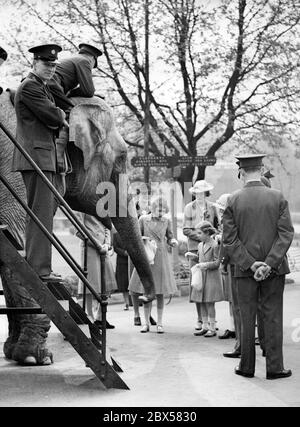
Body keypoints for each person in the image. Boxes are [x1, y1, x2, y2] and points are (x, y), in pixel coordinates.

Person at [222, 154, 294, 379]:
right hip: (275, 269)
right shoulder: (277, 197)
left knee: (245, 316)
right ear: (261, 169)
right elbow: (286, 234)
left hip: (243, 271)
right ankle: (274, 367)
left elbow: (229, 240)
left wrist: (251, 264)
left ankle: (246, 367)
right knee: (272, 317)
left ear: (241, 172)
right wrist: (269, 263)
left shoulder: (232, 200)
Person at [12, 44, 67, 281]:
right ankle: (40, 268)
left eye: (54, 65)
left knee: (42, 212)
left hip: (42, 157)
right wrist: (60, 115)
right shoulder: (31, 86)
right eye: (46, 64)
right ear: (35, 63)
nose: (51, 69)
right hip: (37, 158)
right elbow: (55, 116)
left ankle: (40, 265)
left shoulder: (40, 87)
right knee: (40, 213)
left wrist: (57, 114)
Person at [129, 196, 178, 333]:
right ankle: (146, 323)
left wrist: (173, 241)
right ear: (152, 208)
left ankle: (160, 323)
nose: (161, 212)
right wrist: (144, 241)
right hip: (147, 255)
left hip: (161, 256)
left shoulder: (166, 221)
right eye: (158, 209)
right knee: (147, 289)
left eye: (163, 210)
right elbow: (136, 236)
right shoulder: (143, 219)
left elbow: (170, 236)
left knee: (160, 291)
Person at [183, 180, 219, 331]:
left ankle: (212, 321)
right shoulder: (189, 208)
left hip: (210, 246)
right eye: (197, 192)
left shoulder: (212, 207)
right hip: (195, 247)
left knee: (209, 284)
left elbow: (216, 227)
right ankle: (200, 319)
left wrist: (210, 238)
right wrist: (201, 237)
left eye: (202, 192)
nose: (199, 195)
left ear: (206, 193)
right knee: (197, 283)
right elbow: (186, 229)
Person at [77, 214, 117, 329]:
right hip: (89, 248)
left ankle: (100, 317)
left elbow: (107, 226)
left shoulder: (101, 204)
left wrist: (107, 244)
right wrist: (97, 244)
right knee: (90, 283)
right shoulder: (81, 205)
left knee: (107, 282)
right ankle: (90, 316)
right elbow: (79, 231)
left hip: (103, 249)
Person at [188, 221, 224, 337]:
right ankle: (204, 326)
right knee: (202, 301)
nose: (197, 236)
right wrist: (194, 257)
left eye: (200, 233)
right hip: (201, 276)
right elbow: (200, 258)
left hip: (211, 277)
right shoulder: (200, 245)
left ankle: (212, 327)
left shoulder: (215, 245)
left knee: (209, 303)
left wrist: (204, 265)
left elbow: (217, 263)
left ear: (207, 233)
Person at [48, 43, 103, 112]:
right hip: (53, 84)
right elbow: (88, 91)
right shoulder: (84, 61)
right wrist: (71, 93)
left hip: (51, 84)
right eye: (93, 66)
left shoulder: (74, 59)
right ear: (92, 58)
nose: (91, 69)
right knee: (71, 113)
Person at [214, 193, 237, 340]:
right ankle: (232, 326)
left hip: (232, 262)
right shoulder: (226, 221)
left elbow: (228, 242)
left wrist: (222, 261)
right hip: (230, 262)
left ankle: (236, 328)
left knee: (234, 298)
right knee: (230, 297)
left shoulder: (230, 221)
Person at [113, 230, 130, 310]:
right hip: (121, 261)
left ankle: (135, 301)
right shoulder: (116, 235)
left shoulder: (131, 233)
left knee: (133, 282)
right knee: (123, 283)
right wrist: (123, 252)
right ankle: (126, 303)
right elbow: (115, 247)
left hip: (132, 261)